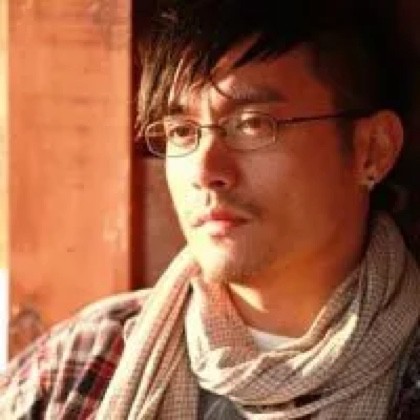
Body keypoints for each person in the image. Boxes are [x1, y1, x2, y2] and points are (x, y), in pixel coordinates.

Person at [2, 0, 420, 418]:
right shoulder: (79, 365)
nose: (205, 171)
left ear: (373, 149)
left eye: (252, 124)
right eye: (182, 131)